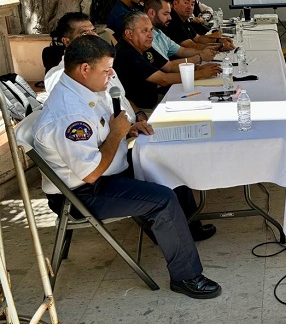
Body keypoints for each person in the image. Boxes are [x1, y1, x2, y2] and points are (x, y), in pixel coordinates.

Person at [33, 35, 222, 299]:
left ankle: (185, 227)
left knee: (164, 161)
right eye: (106, 70)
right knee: (162, 199)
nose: (111, 75)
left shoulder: (83, 88)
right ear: (85, 68)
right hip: (82, 193)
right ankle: (187, 276)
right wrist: (116, 134)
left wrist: (127, 129)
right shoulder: (69, 114)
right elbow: (90, 173)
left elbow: (100, 133)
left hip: (106, 171)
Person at [43, 12, 144, 122]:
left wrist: (137, 113)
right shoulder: (63, 74)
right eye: (84, 33)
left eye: (93, 30)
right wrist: (122, 130)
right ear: (67, 41)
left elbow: (120, 96)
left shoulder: (103, 65)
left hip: (132, 124)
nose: (94, 36)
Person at [113, 12, 221, 110]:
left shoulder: (143, 46)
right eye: (144, 31)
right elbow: (163, 79)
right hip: (141, 110)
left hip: (155, 100)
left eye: (151, 30)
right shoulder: (127, 53)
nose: (150, 35)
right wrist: (201, 73)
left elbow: (169, 66)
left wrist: (195, 68)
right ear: (129, 34)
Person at [143, 0, 218, 64]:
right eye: (165, 14)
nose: (170, 18)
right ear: (152, 13)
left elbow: (182, 50)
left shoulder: (159, 32)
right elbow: (167, 66)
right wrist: (200, 57)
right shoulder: (146, 37)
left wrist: (204, 52)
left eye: (192, 4)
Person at [165, 0, 233, 51]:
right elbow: (192, 46)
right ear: (175, 4)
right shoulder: (172, 21)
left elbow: (198, 38)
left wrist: (219, 40)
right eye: (186, 3)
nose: (190, 7)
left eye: (192, 4)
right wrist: (220, 46)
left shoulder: (183, 19)